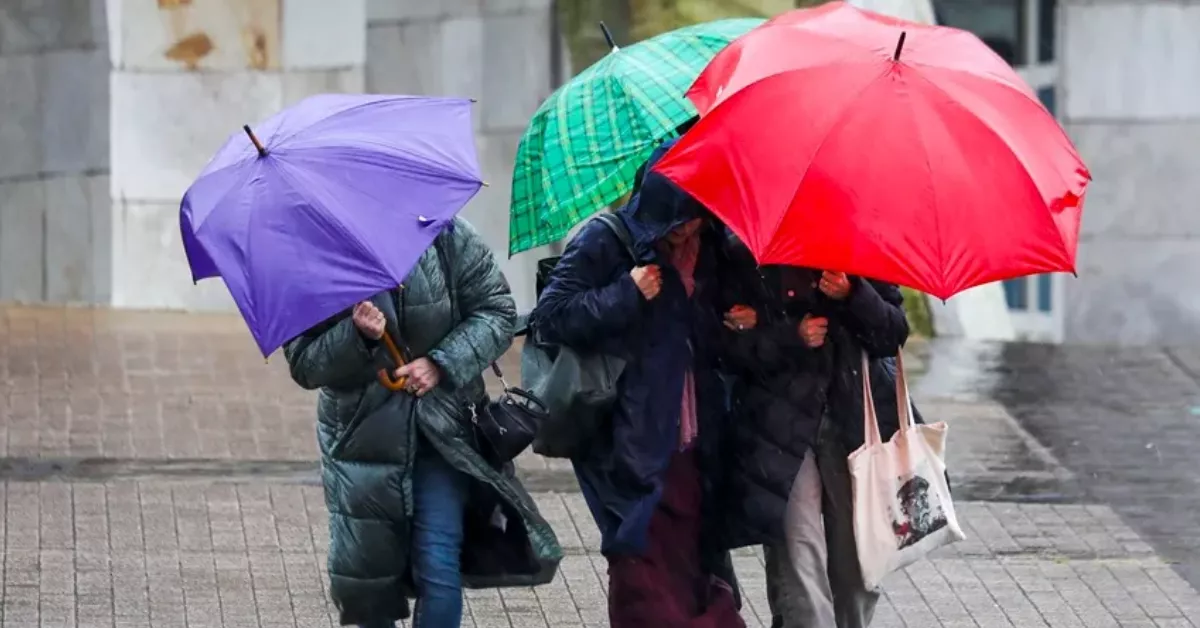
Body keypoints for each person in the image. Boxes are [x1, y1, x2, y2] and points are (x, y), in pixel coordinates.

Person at [283, 218, 562, 628]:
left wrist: (440, 363)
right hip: (363, 442)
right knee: (370, 582)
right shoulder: (321, 254)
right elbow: (305, 363)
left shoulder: (447, 235)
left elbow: (498, 312)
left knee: (438, 561)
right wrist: (358, 336)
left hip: (441, 434)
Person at [530, 139, 744, 627]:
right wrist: (626, 291)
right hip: (630, 436)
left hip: (696, 434)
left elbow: (705, 332)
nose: (685, 230)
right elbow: (551, 316)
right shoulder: (607, 240)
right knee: (642, 574)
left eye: (694, 218)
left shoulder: (712, 246)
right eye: (677, 221)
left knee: (695, 566)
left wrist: (738, 321)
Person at [717, 237, 914, 628]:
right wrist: (789, 336)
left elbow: (893, 334)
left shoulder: (865, 247)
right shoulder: (748, 248)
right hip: (779, 426)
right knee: (798, 555)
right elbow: (726, 348)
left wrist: (853, 294)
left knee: (857, 562)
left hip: (851, 424)